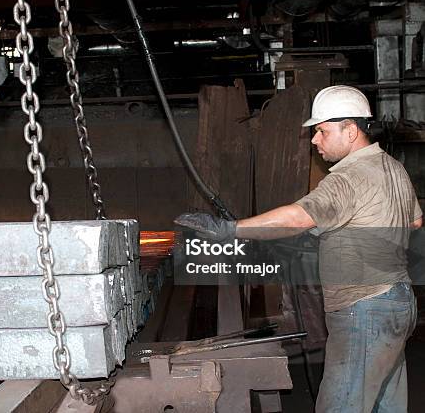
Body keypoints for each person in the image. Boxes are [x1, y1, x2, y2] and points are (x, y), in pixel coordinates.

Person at [175, 85, 423, 413]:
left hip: (363, 308)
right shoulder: (393, 168)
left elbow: (297, 216)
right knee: (382, 404)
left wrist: (230, 229)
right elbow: (414, 222)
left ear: (350, 130)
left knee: (342, 405)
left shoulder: (348, 178)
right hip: (398, 302)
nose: (314, 140)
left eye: (321, 131)